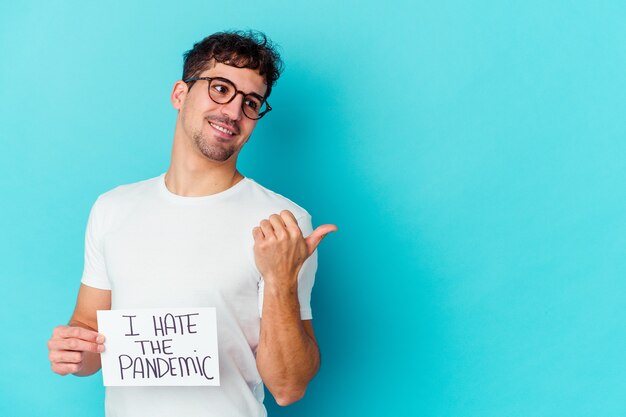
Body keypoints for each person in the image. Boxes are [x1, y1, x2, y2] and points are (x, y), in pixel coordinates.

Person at [47, 30, 336, 417]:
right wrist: (75, 354)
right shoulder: (112, 208)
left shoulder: (283, 224)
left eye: (251, 102)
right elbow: (89, 330)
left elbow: (288, 387)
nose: (234, 112)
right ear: (180, 95)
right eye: (220, 88)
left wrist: (281, 279)